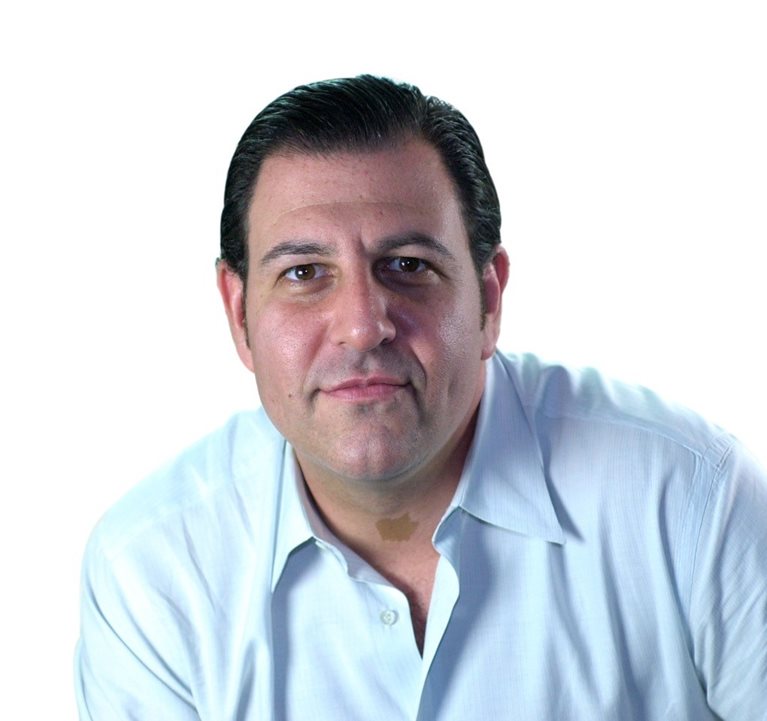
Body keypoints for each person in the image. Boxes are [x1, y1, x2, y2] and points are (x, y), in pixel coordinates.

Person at [75, 75, 767, 720]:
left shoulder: (690, 503)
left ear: (489, 299)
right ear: (239, 314)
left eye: (408, 265)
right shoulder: (154, 572)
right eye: (304, 272)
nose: (361, 325)